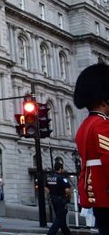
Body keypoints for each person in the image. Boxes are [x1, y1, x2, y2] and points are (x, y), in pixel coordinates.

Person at [73, 62, 109, 234]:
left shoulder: (84, 126)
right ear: (104, 101)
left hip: (94, 190)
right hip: (105, 188)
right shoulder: (102, 125)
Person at [46, 162, 71, 235]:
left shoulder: (50, 177)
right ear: (60, 169)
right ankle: (50, 233)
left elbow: (46, 187)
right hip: (61, 200)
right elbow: (67, 190)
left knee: (61, 218)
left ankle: (67, 233)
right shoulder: (62, 177)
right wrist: (68, 197)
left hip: (53, 199)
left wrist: (50, 194)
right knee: (60, 218)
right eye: (62, 168)